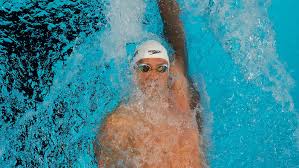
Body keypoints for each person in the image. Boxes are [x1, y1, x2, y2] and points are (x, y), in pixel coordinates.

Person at [94, 0, 206, 167]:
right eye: (145, 68)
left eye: (161, 69)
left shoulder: (181, 99)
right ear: (133, 74)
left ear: (167, 75)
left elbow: (177, 42)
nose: (153, 76)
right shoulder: (119, 123)